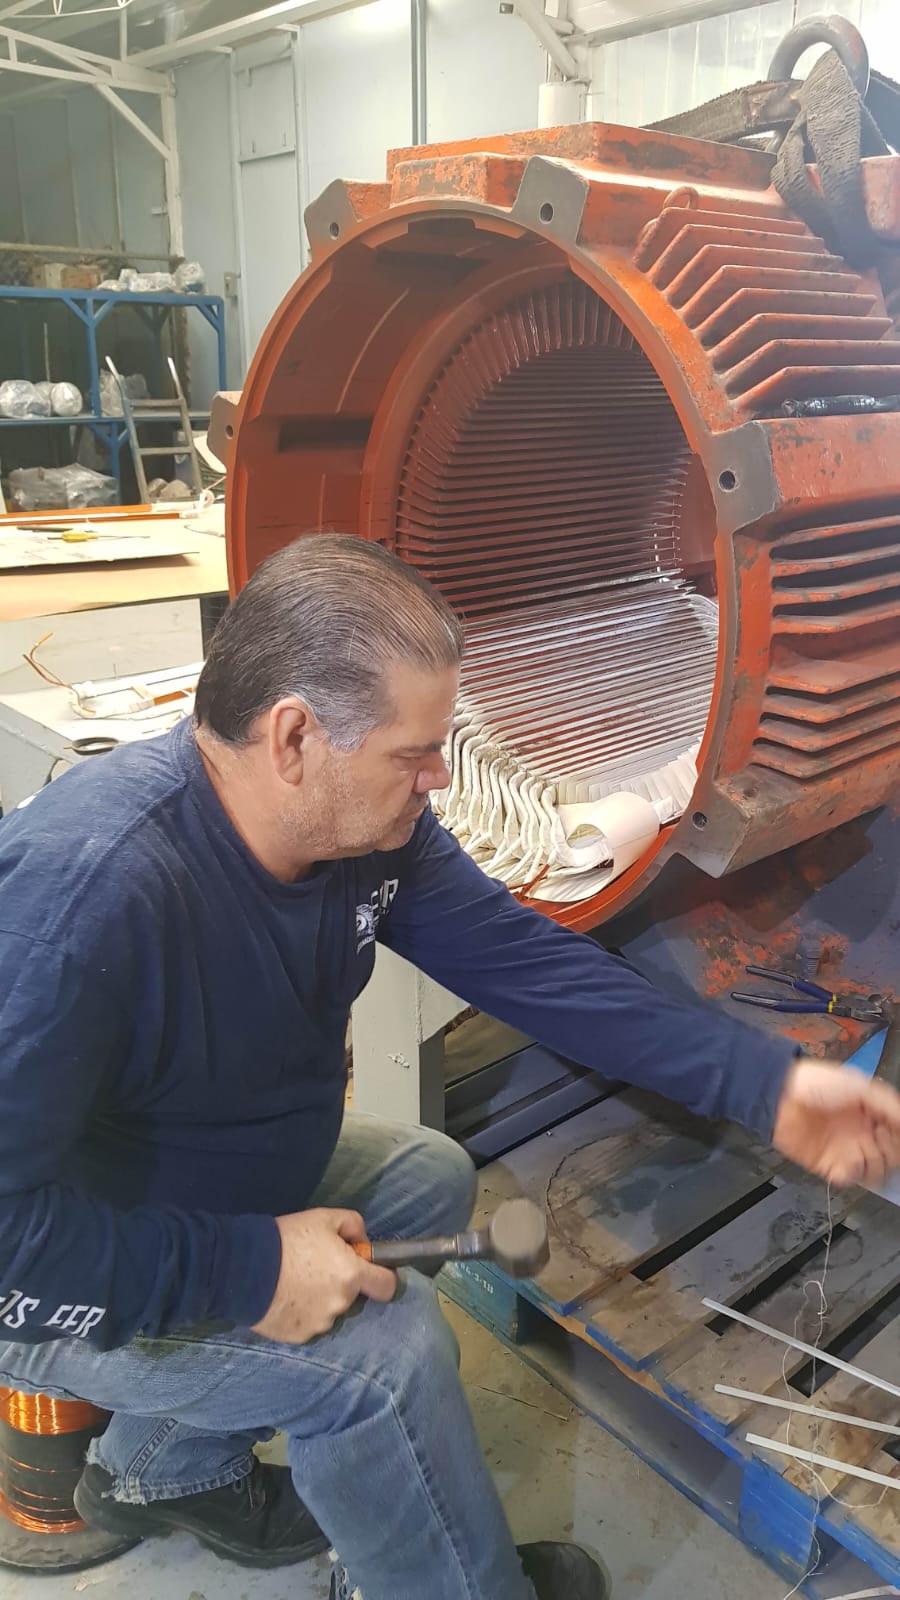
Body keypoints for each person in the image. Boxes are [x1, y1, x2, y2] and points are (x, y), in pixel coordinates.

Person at [1, 535, 898, 1600]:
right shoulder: (84, 900)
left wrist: (766, 1086)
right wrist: (244, 1271)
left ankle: (160, 1469)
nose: (438, 780)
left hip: (195, 1179)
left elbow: (528, 963)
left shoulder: (368, 833)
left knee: (423, 1173)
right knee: (385, 1359)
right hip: (60, 1267)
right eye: (414, 754)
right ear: (295, 737)